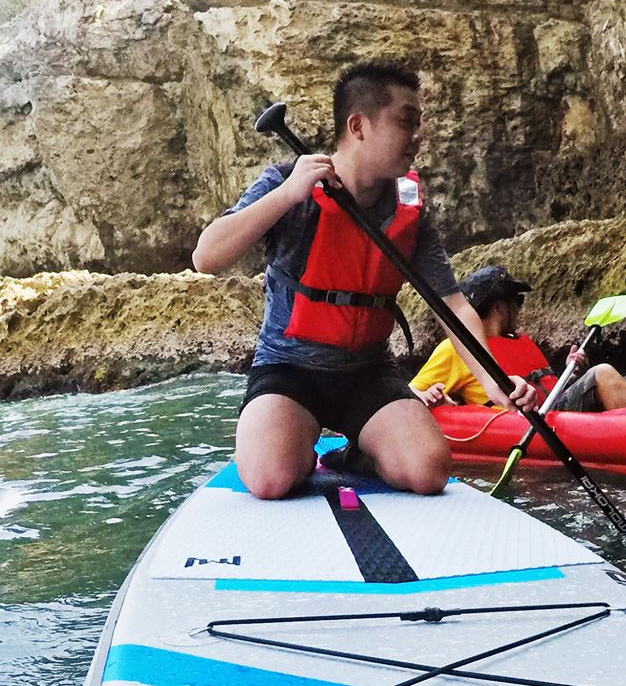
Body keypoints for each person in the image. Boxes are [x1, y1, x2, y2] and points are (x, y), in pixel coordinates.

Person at [191, 60, 540, 498]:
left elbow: (452, 304)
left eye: (418, 123)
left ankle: (357, 454)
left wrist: (494, 383)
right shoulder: (286, 183)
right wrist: (287, 195)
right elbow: (206, 256)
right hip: (288, 369)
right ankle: (296, 450)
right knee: (269, 479)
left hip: (368, 373)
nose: (418, 136)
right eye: (406, 122)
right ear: (358, 126)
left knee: (428, 472)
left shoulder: (410, 211)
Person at [411, 266, 626, 412]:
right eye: (517, 301)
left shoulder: (522, 341)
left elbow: (548, 387)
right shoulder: (457, 348)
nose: (519, 309)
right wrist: (428, 395)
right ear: (498, 307)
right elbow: (408, 391)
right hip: (539, 419)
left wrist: (570, 373)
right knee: (602, 373)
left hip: (556, 407)